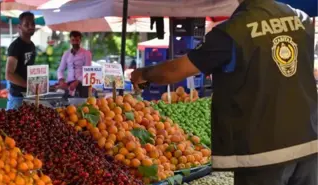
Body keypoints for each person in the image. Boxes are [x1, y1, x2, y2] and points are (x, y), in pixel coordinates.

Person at [131, 0, 318, 185]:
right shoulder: (302, 19)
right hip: (309, 142)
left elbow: (174, 71)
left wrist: (144, 73)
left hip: (263, 152)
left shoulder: (232, 31)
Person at [6, 12, 36, 110]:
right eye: (26, 24)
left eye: (32, 24)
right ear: (19, 27)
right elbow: (9, 74)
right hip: (17, 97)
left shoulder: (32, 45)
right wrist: (28, 85)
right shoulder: (16, 46)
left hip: (28, 96)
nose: (30, 26)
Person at [57, 31, 92, 98]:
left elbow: (88, 71)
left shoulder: (86, 53)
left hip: (82, 83)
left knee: (82, 104)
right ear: (70, 41)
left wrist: (77, 82)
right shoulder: (66, 53)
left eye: (77, 40)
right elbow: (60, 70)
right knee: (67, 105)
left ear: (80, 41)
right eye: (73, 40)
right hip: (69, 84)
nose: (75, 42)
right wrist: (61, 80)